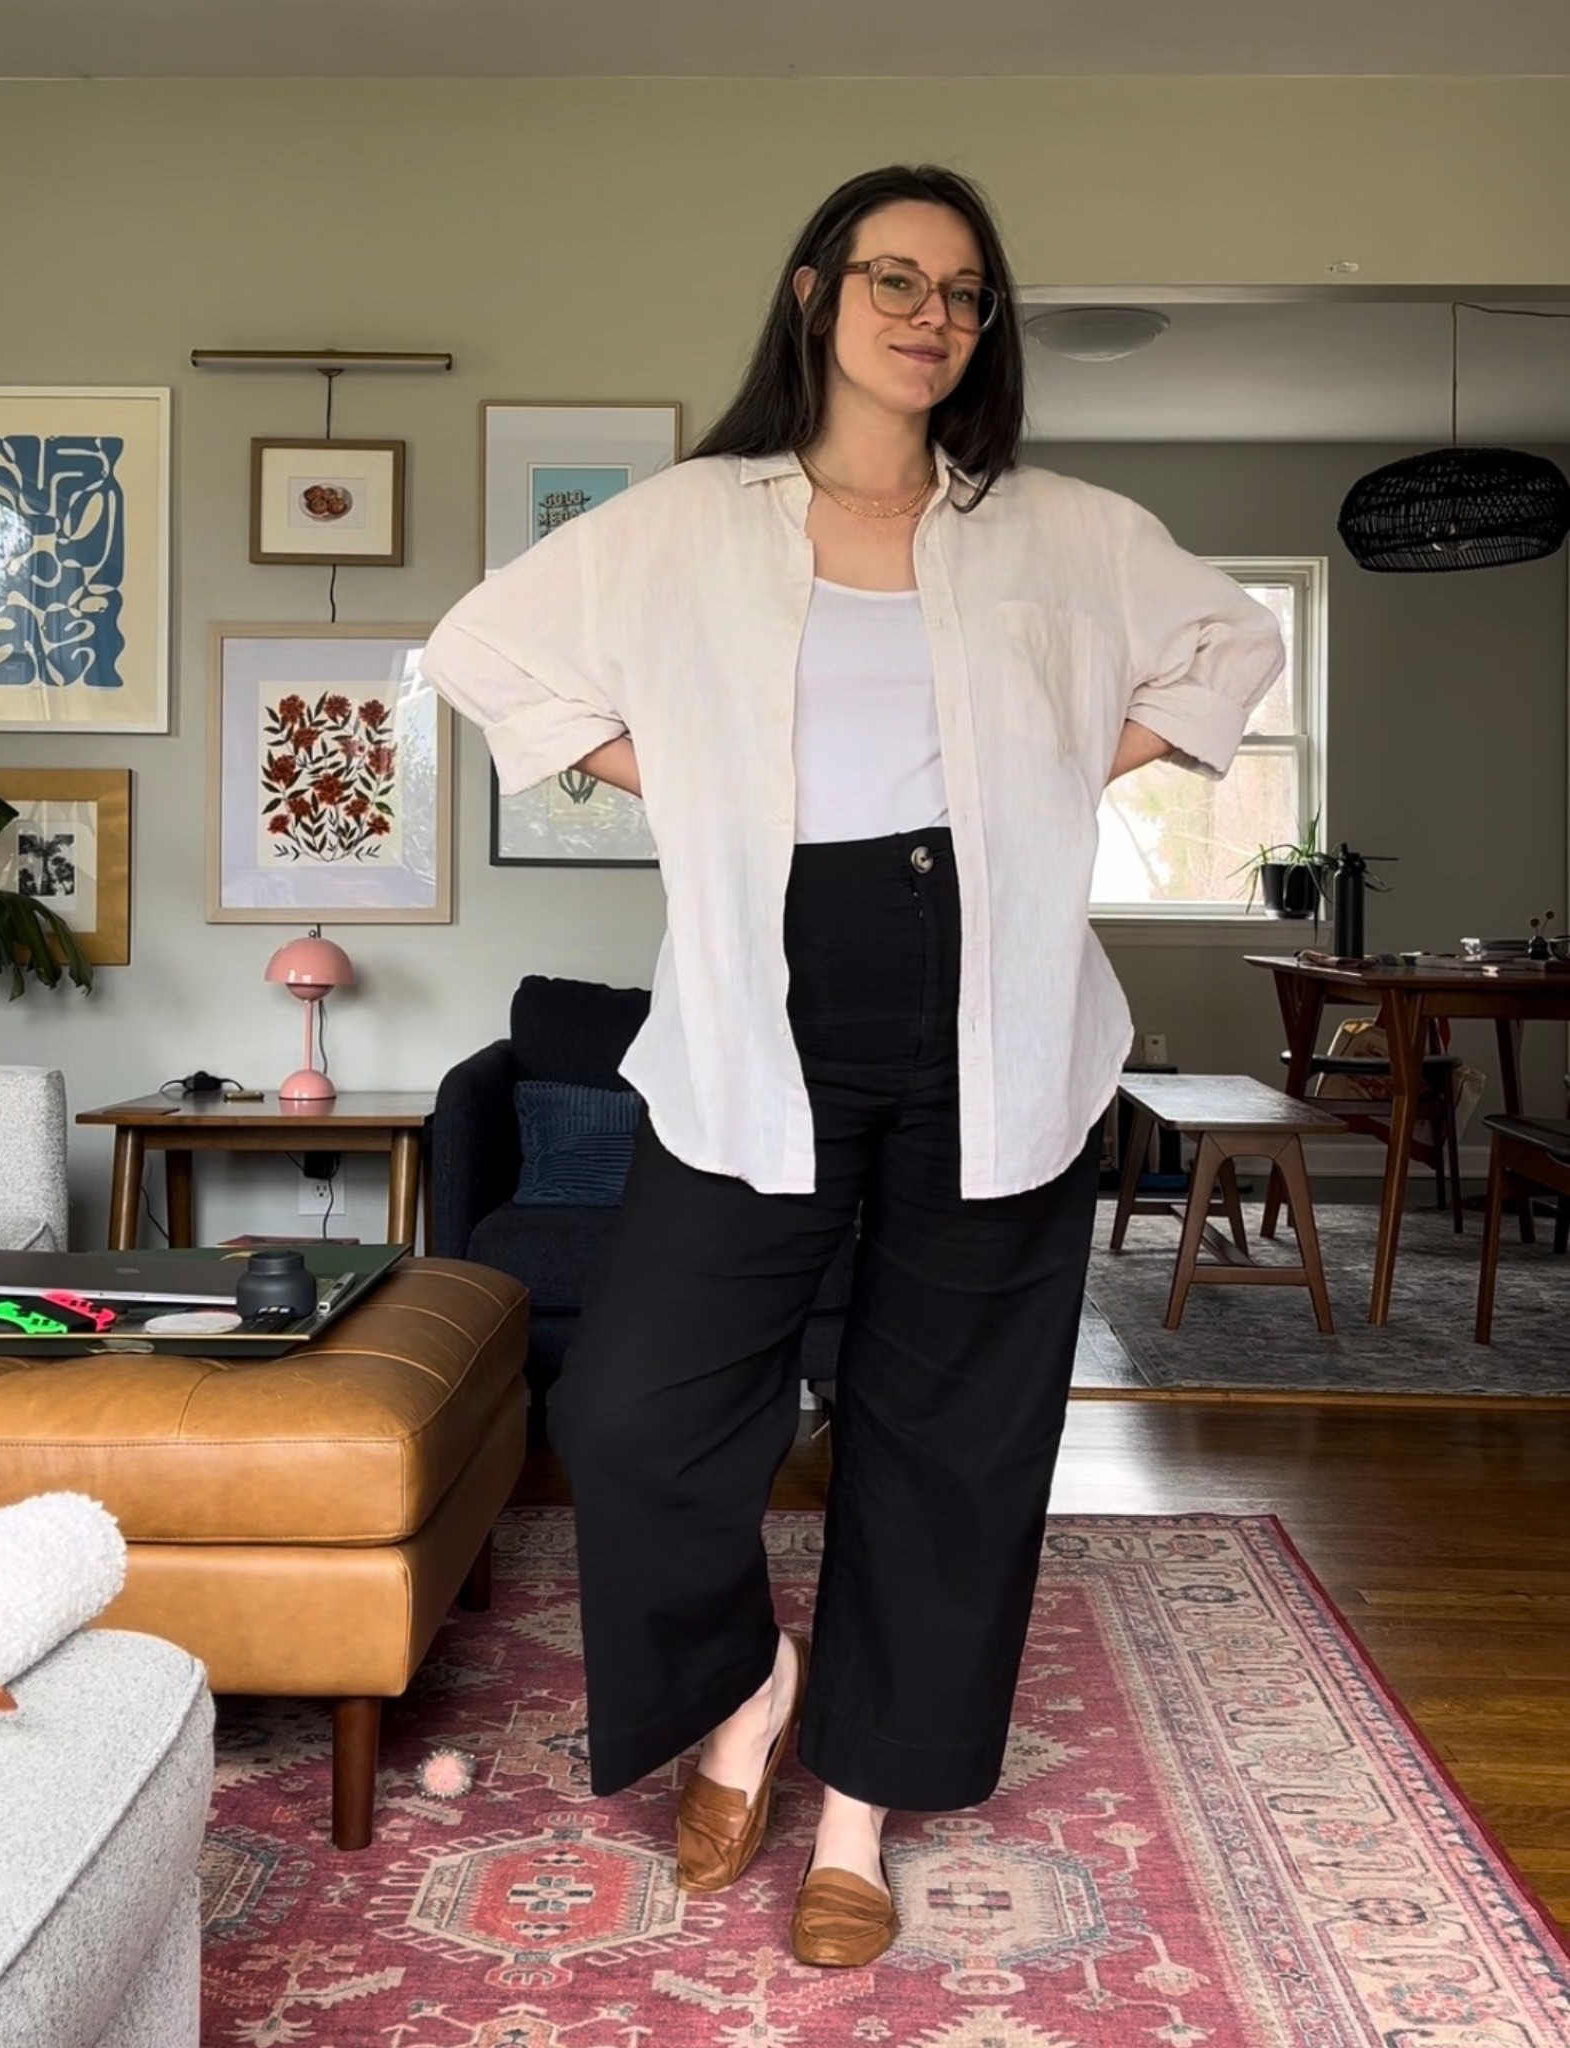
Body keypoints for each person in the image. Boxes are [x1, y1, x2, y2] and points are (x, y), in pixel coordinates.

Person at [424, 162, 1284, 1968]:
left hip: (1001, 996)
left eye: (964, 293)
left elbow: (1234, 639)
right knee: (634, 1412)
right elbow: (482, 649)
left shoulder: (1059, 528)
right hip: (764, 997)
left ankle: (863, 1812)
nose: (930, 316)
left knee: (951, 1431)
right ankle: (747, 1690)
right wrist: (707, 795)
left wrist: (1060, 777)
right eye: (894, 278)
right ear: (816, 294)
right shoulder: (686, 520)